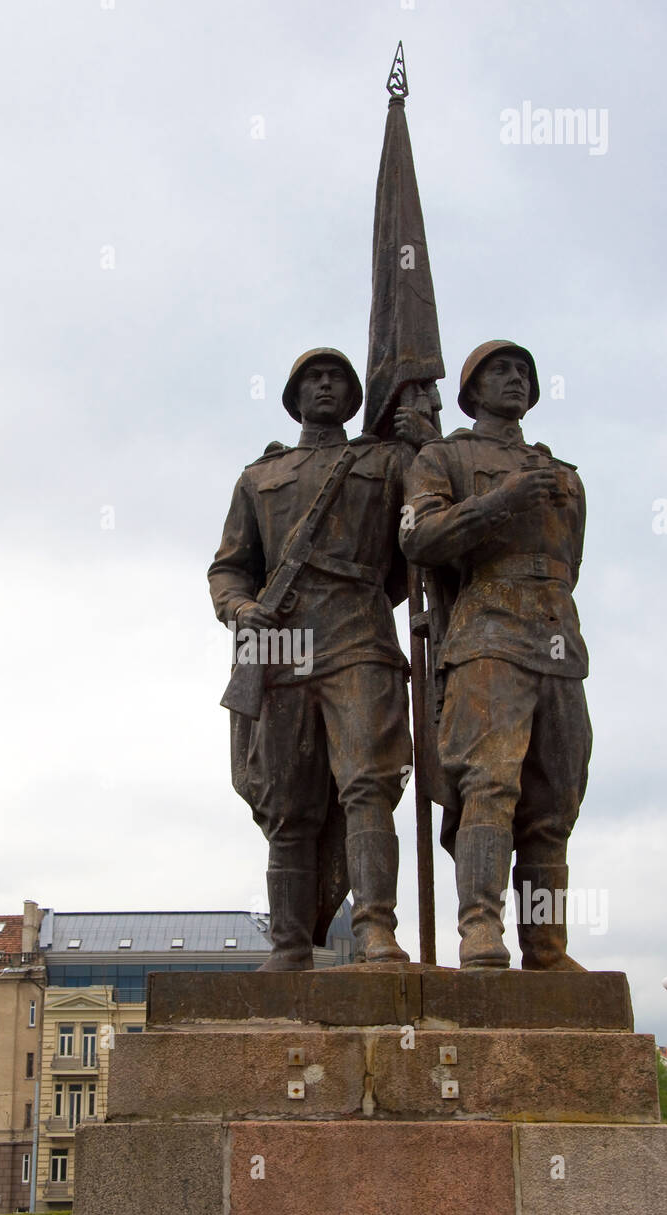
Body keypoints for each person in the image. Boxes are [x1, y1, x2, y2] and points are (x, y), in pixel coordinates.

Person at [209, 348, 413, 968]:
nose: (325, 386)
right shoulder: (258, 477)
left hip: (359, 634)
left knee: (368, 785)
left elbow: (418, 547)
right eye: (312, 379)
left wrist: (422, 438)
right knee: (287, 803)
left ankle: (376, 930)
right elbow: (230, 570)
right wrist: (242, 611)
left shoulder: (387, 463)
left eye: (337, 379)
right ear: (294, 396)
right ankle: (289, 943)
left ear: (354, 398)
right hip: (278, 645)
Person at [400, 340, 591, 970]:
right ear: (471, 389)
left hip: (558, 641)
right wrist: (501, 501)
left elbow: (571, 563)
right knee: (490, 783)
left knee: (554, 803)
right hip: (486, 635)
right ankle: (480, 929)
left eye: (523, 372)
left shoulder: (563, 472)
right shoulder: (443, 456)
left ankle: (547, 947)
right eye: (499, 371)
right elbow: (421, 537)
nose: (514, 379)